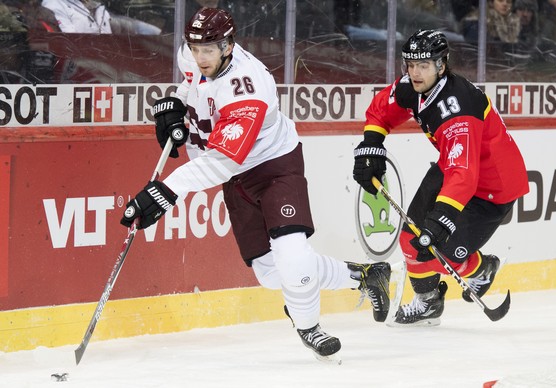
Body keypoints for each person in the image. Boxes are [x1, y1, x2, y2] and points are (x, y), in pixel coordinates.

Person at [121, 7, 391, 361]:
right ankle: (366, 275)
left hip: (274, 166)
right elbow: (191, 82)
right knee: (268, 272)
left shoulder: (248, 89)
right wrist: (177, 105)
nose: (200, 57)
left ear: (229, 46)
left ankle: (308, 326)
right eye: (195, 48)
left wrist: (167, 190)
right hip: (236, 175)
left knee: (292, 256)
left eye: (209, 50)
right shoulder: (194, 54)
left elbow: (221, 162)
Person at [352, 29, 529, 326]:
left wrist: (441, 217)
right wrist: (372, 144)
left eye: (423, 65)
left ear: (441, 65)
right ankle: (429, 303)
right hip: (455, 168)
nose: (415, 72)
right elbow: (382, 108)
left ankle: (481, 268)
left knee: (436, 253)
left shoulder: (458, 109)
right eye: (410, 64)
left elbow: (465, 174)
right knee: (411, 240)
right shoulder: (415, 85)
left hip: (493, 188)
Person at [41, 0, 112, 33]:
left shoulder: (99, 7)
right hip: (80, 58)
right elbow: (70, 38)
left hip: (104, 55)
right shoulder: (53, 3)